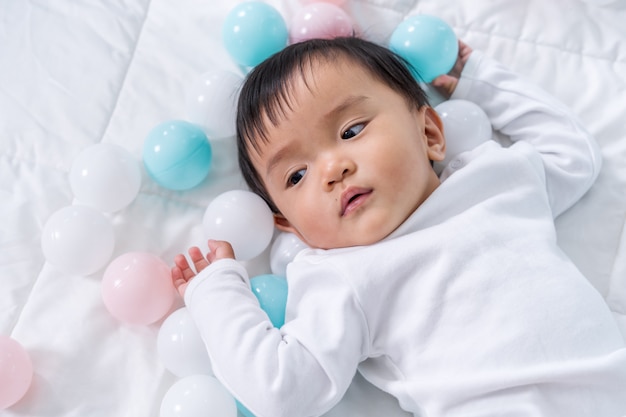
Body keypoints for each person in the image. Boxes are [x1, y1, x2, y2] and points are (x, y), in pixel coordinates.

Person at [171, 36, 626, 416]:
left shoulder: (494, 179)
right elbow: (281, 388)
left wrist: (481, 81)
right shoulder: (345, 276)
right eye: (296, 176)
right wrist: (216, 293)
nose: (331, 169)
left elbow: (574, 154)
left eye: (350, 131)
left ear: (429, 133)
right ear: (291, 226)